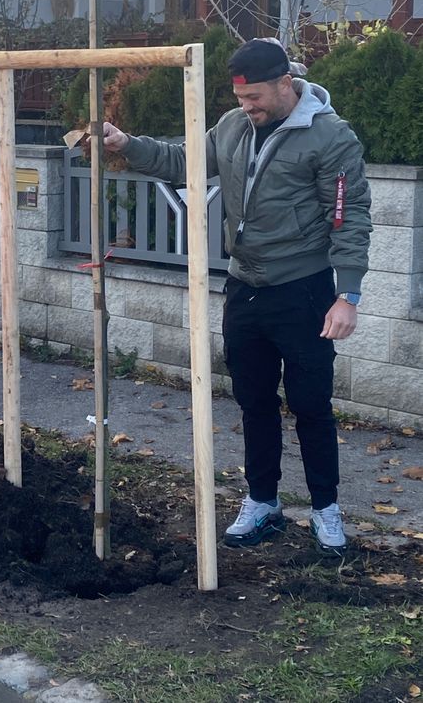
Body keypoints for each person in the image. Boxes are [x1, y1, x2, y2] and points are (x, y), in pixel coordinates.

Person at [102, 38, 371, 556]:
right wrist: (126, 144)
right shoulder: (231, 127)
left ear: (285, 84)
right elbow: (182, 160)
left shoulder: (329, 137)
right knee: (253, 402)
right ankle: (263, 502)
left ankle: (325, 510)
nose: (247, 108)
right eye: (241, 99)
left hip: (305, 291)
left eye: (255, 99)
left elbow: (349, 216)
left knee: (311, 404)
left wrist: (348, 295)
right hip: (245, 289)